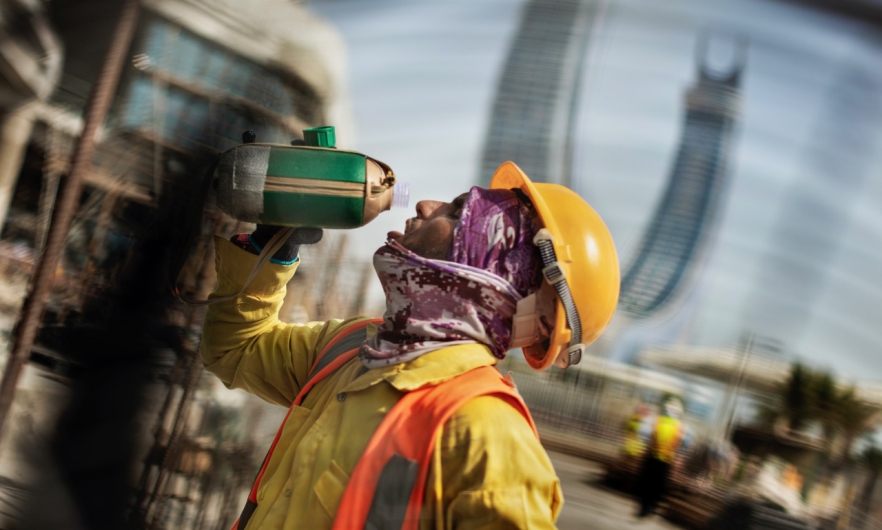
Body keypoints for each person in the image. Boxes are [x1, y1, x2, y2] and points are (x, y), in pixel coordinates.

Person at [200, 161, 620, 529]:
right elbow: (235, 350)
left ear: (495, 267)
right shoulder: (354, 348)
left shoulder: (487, 436)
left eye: (457, 213)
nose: (425, 206)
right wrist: (269, 250)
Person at [635, 396, 688, 519]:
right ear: (678, 413)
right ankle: (652, 507)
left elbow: (643, 434)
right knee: (658, 486)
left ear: (664, 409)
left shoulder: (655, 421)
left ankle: (643, 507)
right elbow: (685, 444)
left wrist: (647, 445)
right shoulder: (680, 427)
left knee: (645, 483)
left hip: (652, 457)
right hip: (666, 461)